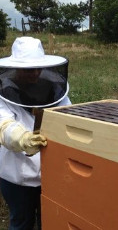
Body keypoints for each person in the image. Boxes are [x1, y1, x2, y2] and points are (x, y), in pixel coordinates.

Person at [0, 36, 71, 230]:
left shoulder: (55, 89)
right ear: (16, 69)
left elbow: (67, 114)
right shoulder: (3, 95)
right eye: (29, 70)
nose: (35, 74)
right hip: (16, 176)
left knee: (48, 221)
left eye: (39, 68)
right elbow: (4, 125)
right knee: (21, 222)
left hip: (50, 173)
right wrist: (22, 139)